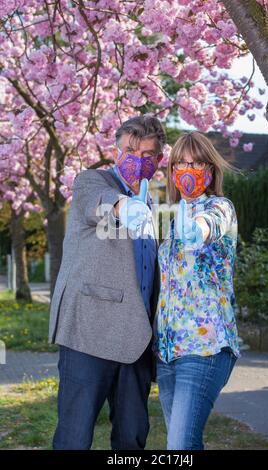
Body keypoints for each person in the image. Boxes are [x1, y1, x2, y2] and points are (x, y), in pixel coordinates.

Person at [48, 115, 165, 450]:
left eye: (146, 155)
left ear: (157, 160)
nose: (136, 159)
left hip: (137, 339)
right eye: (129, 150)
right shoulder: (91, 182)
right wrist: (123, 207)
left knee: (132, 439)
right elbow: (97, 205)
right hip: (89, 333)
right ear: (117, 150)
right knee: (75, 436)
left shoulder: (151, 203)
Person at [153, 131, 241, 450]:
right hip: (167, 353)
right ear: (172, 170)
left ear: (210, 168)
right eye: (181, 162)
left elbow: (211, 224)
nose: (188, 169)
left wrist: (198, 228)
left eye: (197, 162)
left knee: (180, 446)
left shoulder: (221, 207)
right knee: (184, 446)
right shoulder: (169, 219)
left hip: (205, 347)